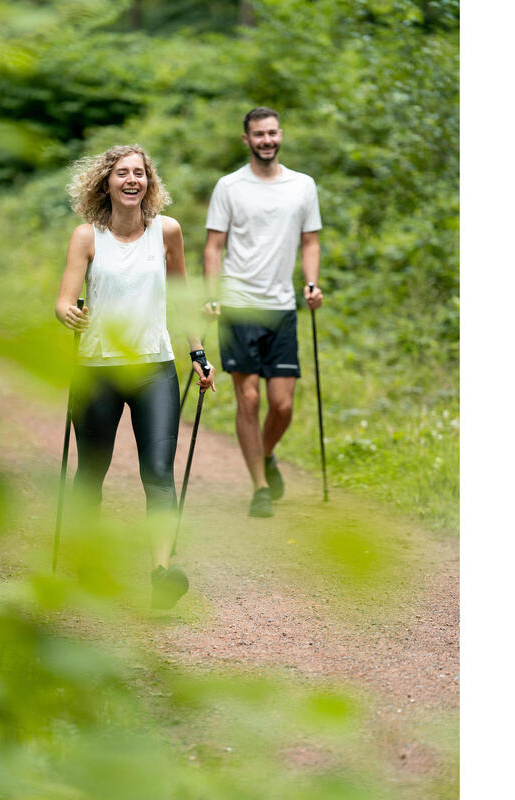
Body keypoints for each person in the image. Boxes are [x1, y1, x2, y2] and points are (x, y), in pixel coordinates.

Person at [55, 144, 214, 609]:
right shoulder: (86, 237)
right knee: (91, 472)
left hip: (153, 368)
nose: (131, 180)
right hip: (97, 368)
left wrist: (198, 353)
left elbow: (183, 298)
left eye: (139, 173)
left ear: (149, 182)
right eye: (122, 173)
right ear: (105, 182)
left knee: (159, 474)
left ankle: (162, 575)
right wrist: (69, 314)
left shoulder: (167, 232)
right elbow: (64, 299)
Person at [202, 107, 323, 518]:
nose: (266, 140)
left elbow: (310, 241)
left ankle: (264, 455)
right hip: (238, 302)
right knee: (248, 398)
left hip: (281, 305)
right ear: (246, 140)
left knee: (283, 405)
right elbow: (214, 246)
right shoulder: (229, 187)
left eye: (272, 133)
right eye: (258, 134)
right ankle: (259, 488)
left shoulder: (302, 186)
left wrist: (311, 282)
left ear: (280, 135)